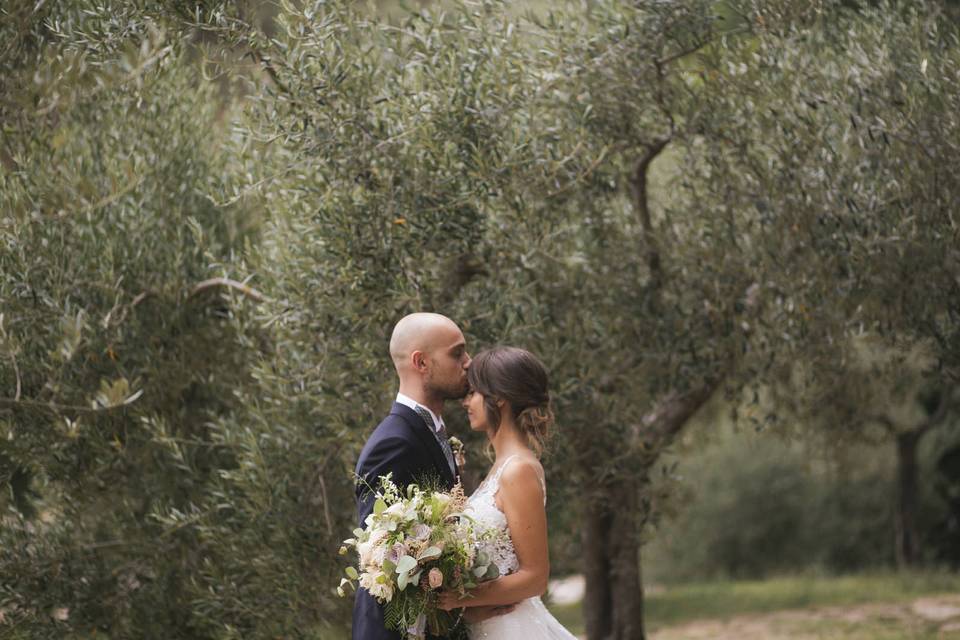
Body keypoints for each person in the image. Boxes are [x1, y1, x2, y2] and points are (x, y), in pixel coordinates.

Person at [352, 313, 513, 640]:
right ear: (420, 362)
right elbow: (385, 561)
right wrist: (469, 606)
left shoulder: (433, 432)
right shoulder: (394, 442)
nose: (468, 363)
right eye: (457, 353)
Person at [437, 346, 577, 639]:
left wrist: (460, 598)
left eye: (473, 392)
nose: (466, 402)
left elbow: (535, 577)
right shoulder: (500, 468)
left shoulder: (518, 470)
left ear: (498, 398)